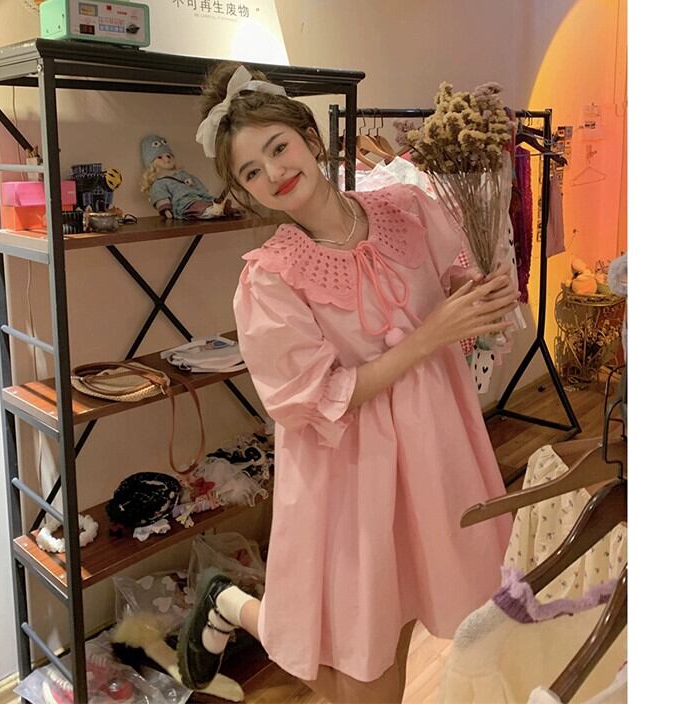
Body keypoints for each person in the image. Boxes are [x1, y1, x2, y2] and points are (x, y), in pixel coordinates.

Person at [176, 63, 517, 704]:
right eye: (252, 172)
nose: (274, 172)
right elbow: (317, 397)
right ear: (245, 192)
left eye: (278, 147)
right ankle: (235, 605)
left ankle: (229, 603)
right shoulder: (270, 278)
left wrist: (479, 297)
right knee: (362, 671)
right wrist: (431, 333)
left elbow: (452, 285)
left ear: (310, 137)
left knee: (408, 610)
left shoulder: (406, 208)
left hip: (433, 451)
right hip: (351, 476)